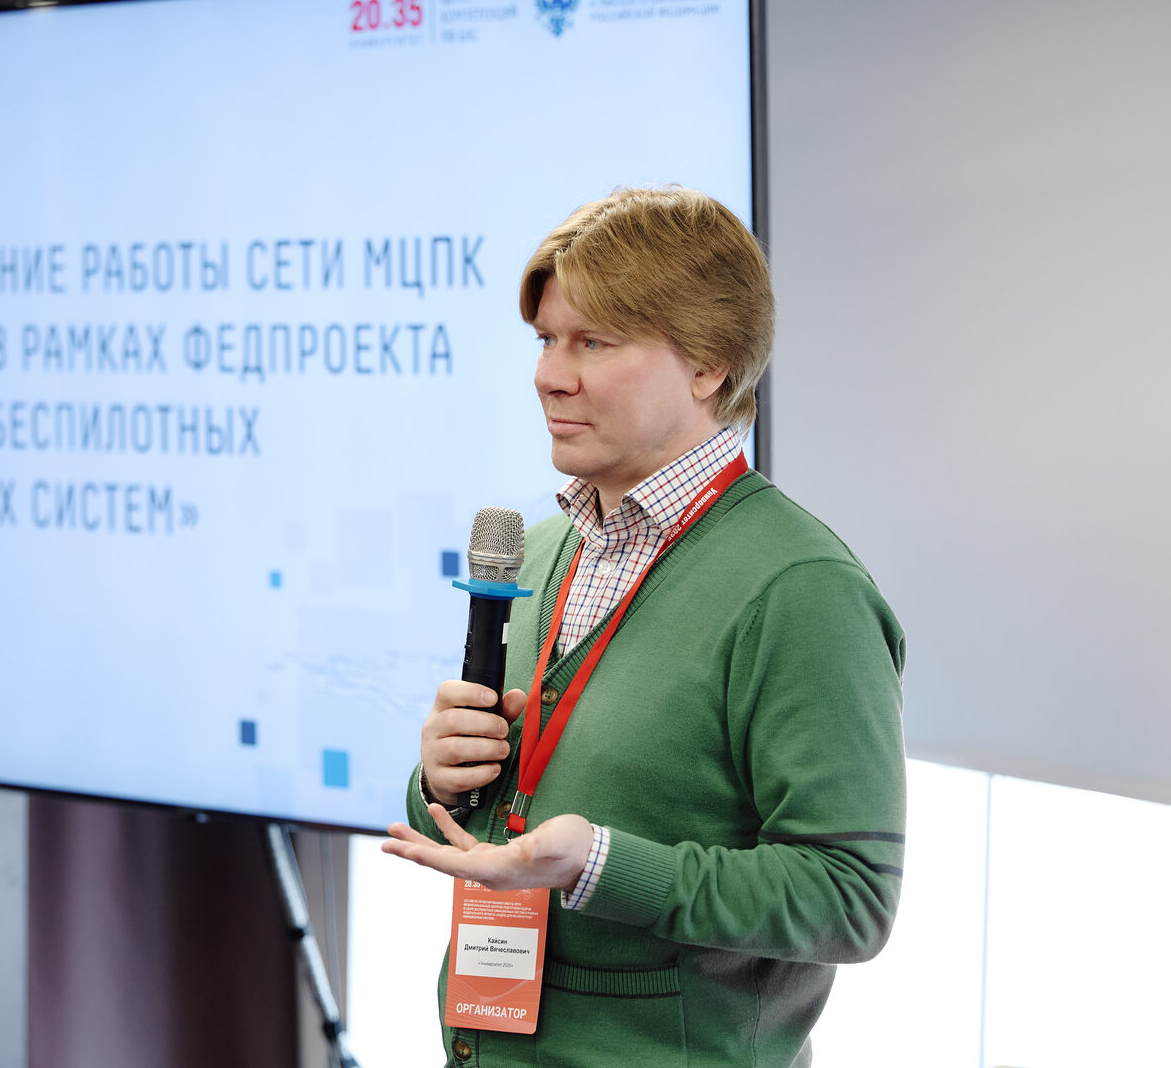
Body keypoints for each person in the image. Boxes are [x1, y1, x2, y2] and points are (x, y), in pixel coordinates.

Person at [382, 187, 906, 1067]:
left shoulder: (802, 591)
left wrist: (598, 864)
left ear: (708, 367)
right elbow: (483, 826)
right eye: (546, 340)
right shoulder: (538, 553)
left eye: (594, 341)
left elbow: (850, 898)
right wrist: (442, 783)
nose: (550, 375)